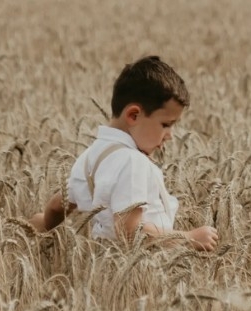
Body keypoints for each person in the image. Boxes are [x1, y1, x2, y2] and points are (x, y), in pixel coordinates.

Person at [29, 56, 218, 252]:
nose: (170, 135)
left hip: (106, 262)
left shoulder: (91, 155)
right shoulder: (132, 162)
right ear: (133, 115)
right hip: (141, 268)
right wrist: (187, 238)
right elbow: (130, 233)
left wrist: (42, 225)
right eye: (165, 125)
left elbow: (56, 206)